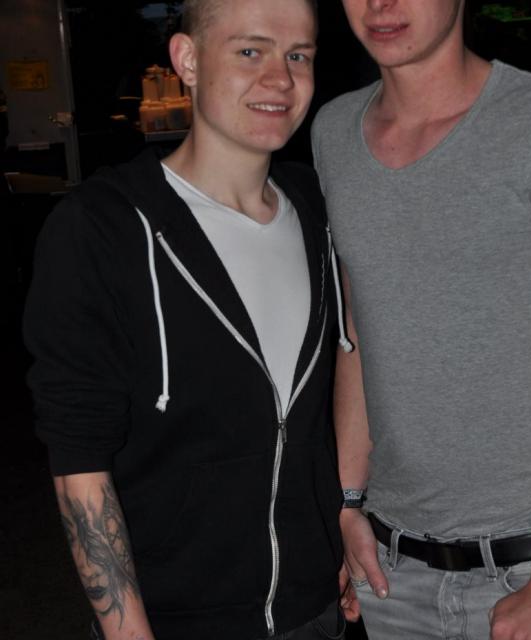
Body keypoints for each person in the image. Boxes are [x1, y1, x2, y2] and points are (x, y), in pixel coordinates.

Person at [311, 1, 531, 638]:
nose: (381, 4)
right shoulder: (333, 130)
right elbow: (358, 333)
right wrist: (349, 502)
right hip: (393, 575)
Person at [23, 1, 349, 638]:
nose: (280, 79)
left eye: (299, 55)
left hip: (314, 611)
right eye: (250, 51)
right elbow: (79, 460)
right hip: (172, 620)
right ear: (188, 60)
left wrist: (341, 518)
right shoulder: (104, 228)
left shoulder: (319, 209)